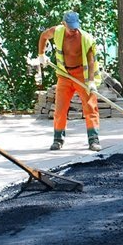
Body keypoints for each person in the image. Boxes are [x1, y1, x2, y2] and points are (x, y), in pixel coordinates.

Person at [38, 11, 102, 152]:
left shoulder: (85, 38)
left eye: (75, 26)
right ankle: (58, 139)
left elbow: (91, 61)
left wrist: (91, 81)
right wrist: (41, 54)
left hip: (82, 76)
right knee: (60, 108)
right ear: (63, 24)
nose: (73, 30)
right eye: (70, 27)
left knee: (90, 107)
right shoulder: (57, 32)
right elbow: (43, 36)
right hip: (64, 75)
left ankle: (93, 140)